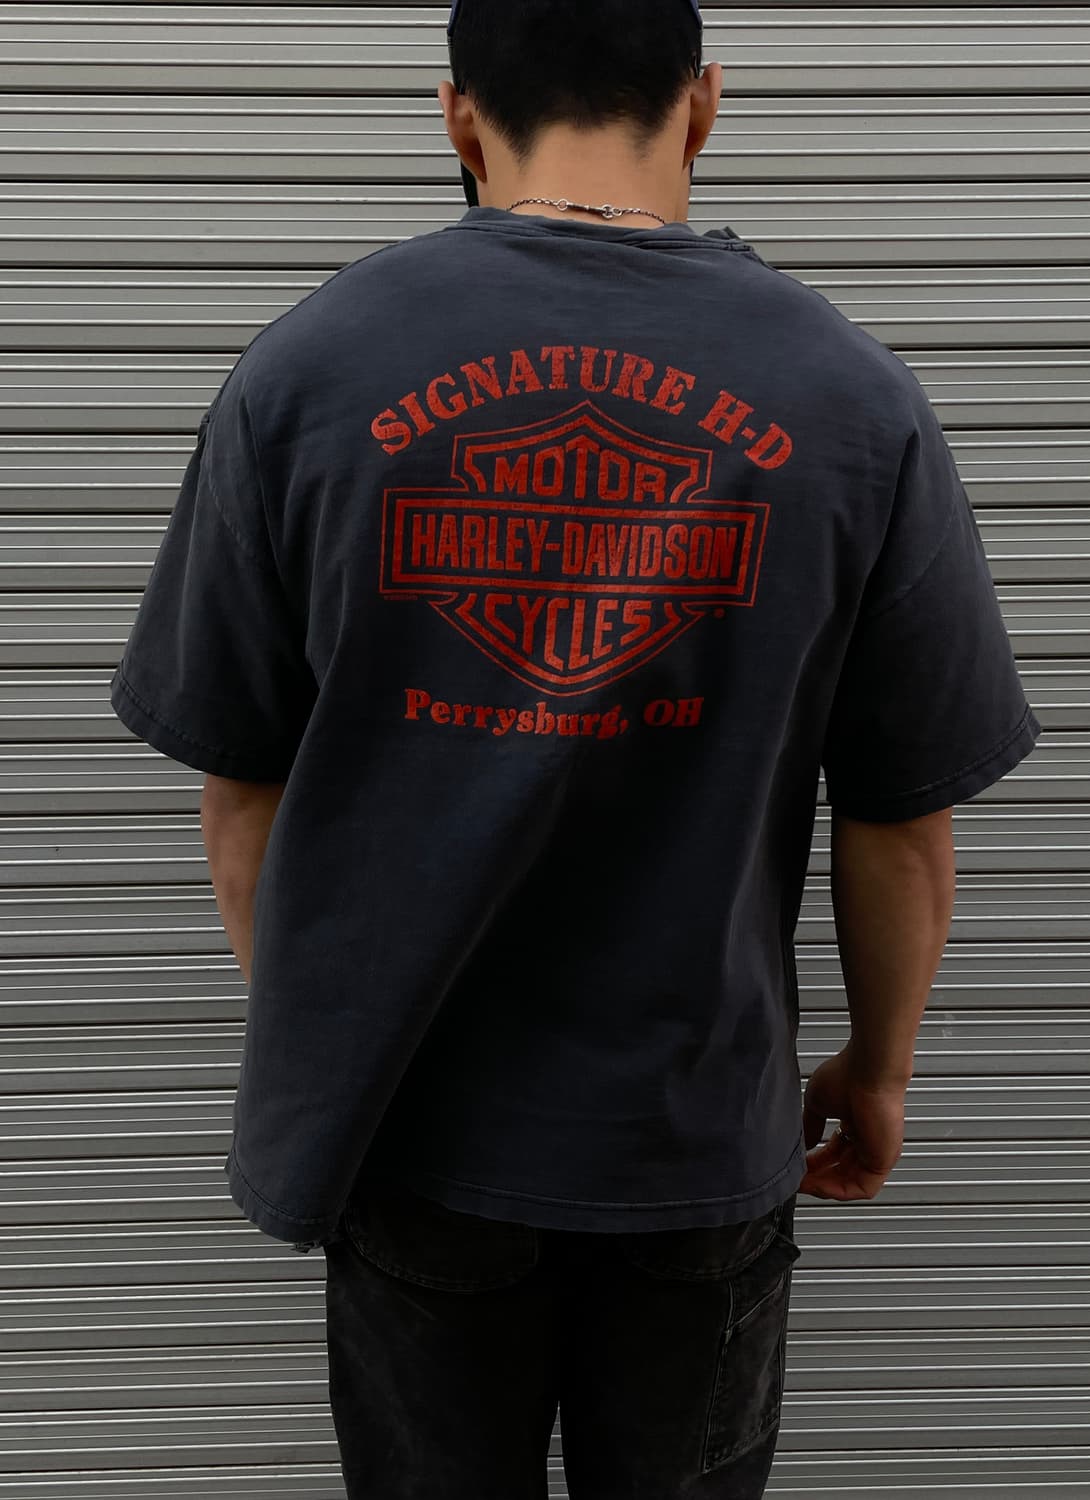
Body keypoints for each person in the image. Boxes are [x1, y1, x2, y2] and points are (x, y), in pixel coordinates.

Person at [107, 0, 1041, 1494]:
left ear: (457, 117)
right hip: (695, 1140)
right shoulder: (849, 398)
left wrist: (335, 1037)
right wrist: (878, 1072)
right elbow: (899, 821)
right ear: (705, 103)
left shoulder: (308, 372)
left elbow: (244, 791)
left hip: (411, 1131)